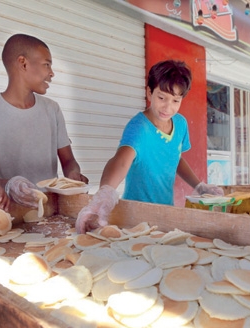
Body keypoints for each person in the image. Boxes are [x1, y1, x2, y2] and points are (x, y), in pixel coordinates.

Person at [76, 59, 223, 234]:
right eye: (161, 98)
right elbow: (122, 161)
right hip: (135, 215)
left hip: (166, 211)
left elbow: (175, 159)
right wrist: (104, 195)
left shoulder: (181, 124)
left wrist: (199, 186)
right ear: (149, 92)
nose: (168, 107)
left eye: (175, 100)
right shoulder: (139, 127)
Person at [0, 34, 88, 209]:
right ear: (23, 63)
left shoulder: (52, 109)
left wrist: (73, 174)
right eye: (47, 64)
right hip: (10, 214)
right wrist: (12, 185)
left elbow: (68, 161)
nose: (52, 73)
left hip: (50, 210)